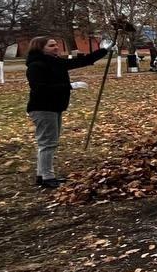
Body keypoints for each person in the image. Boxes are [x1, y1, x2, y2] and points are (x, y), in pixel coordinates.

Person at [25, 36, 110, 189]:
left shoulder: (54, 62)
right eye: (51, 45)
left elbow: (80, 62)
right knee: (47, 143)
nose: (56, 47)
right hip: (43, 108)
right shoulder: (36, 65)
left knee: (49, 142)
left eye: (56, 44)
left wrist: (104, 50)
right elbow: (40, 88)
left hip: (54, 107)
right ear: (40, 48)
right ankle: (47, 177)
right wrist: (70, 86)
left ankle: (42, 174)